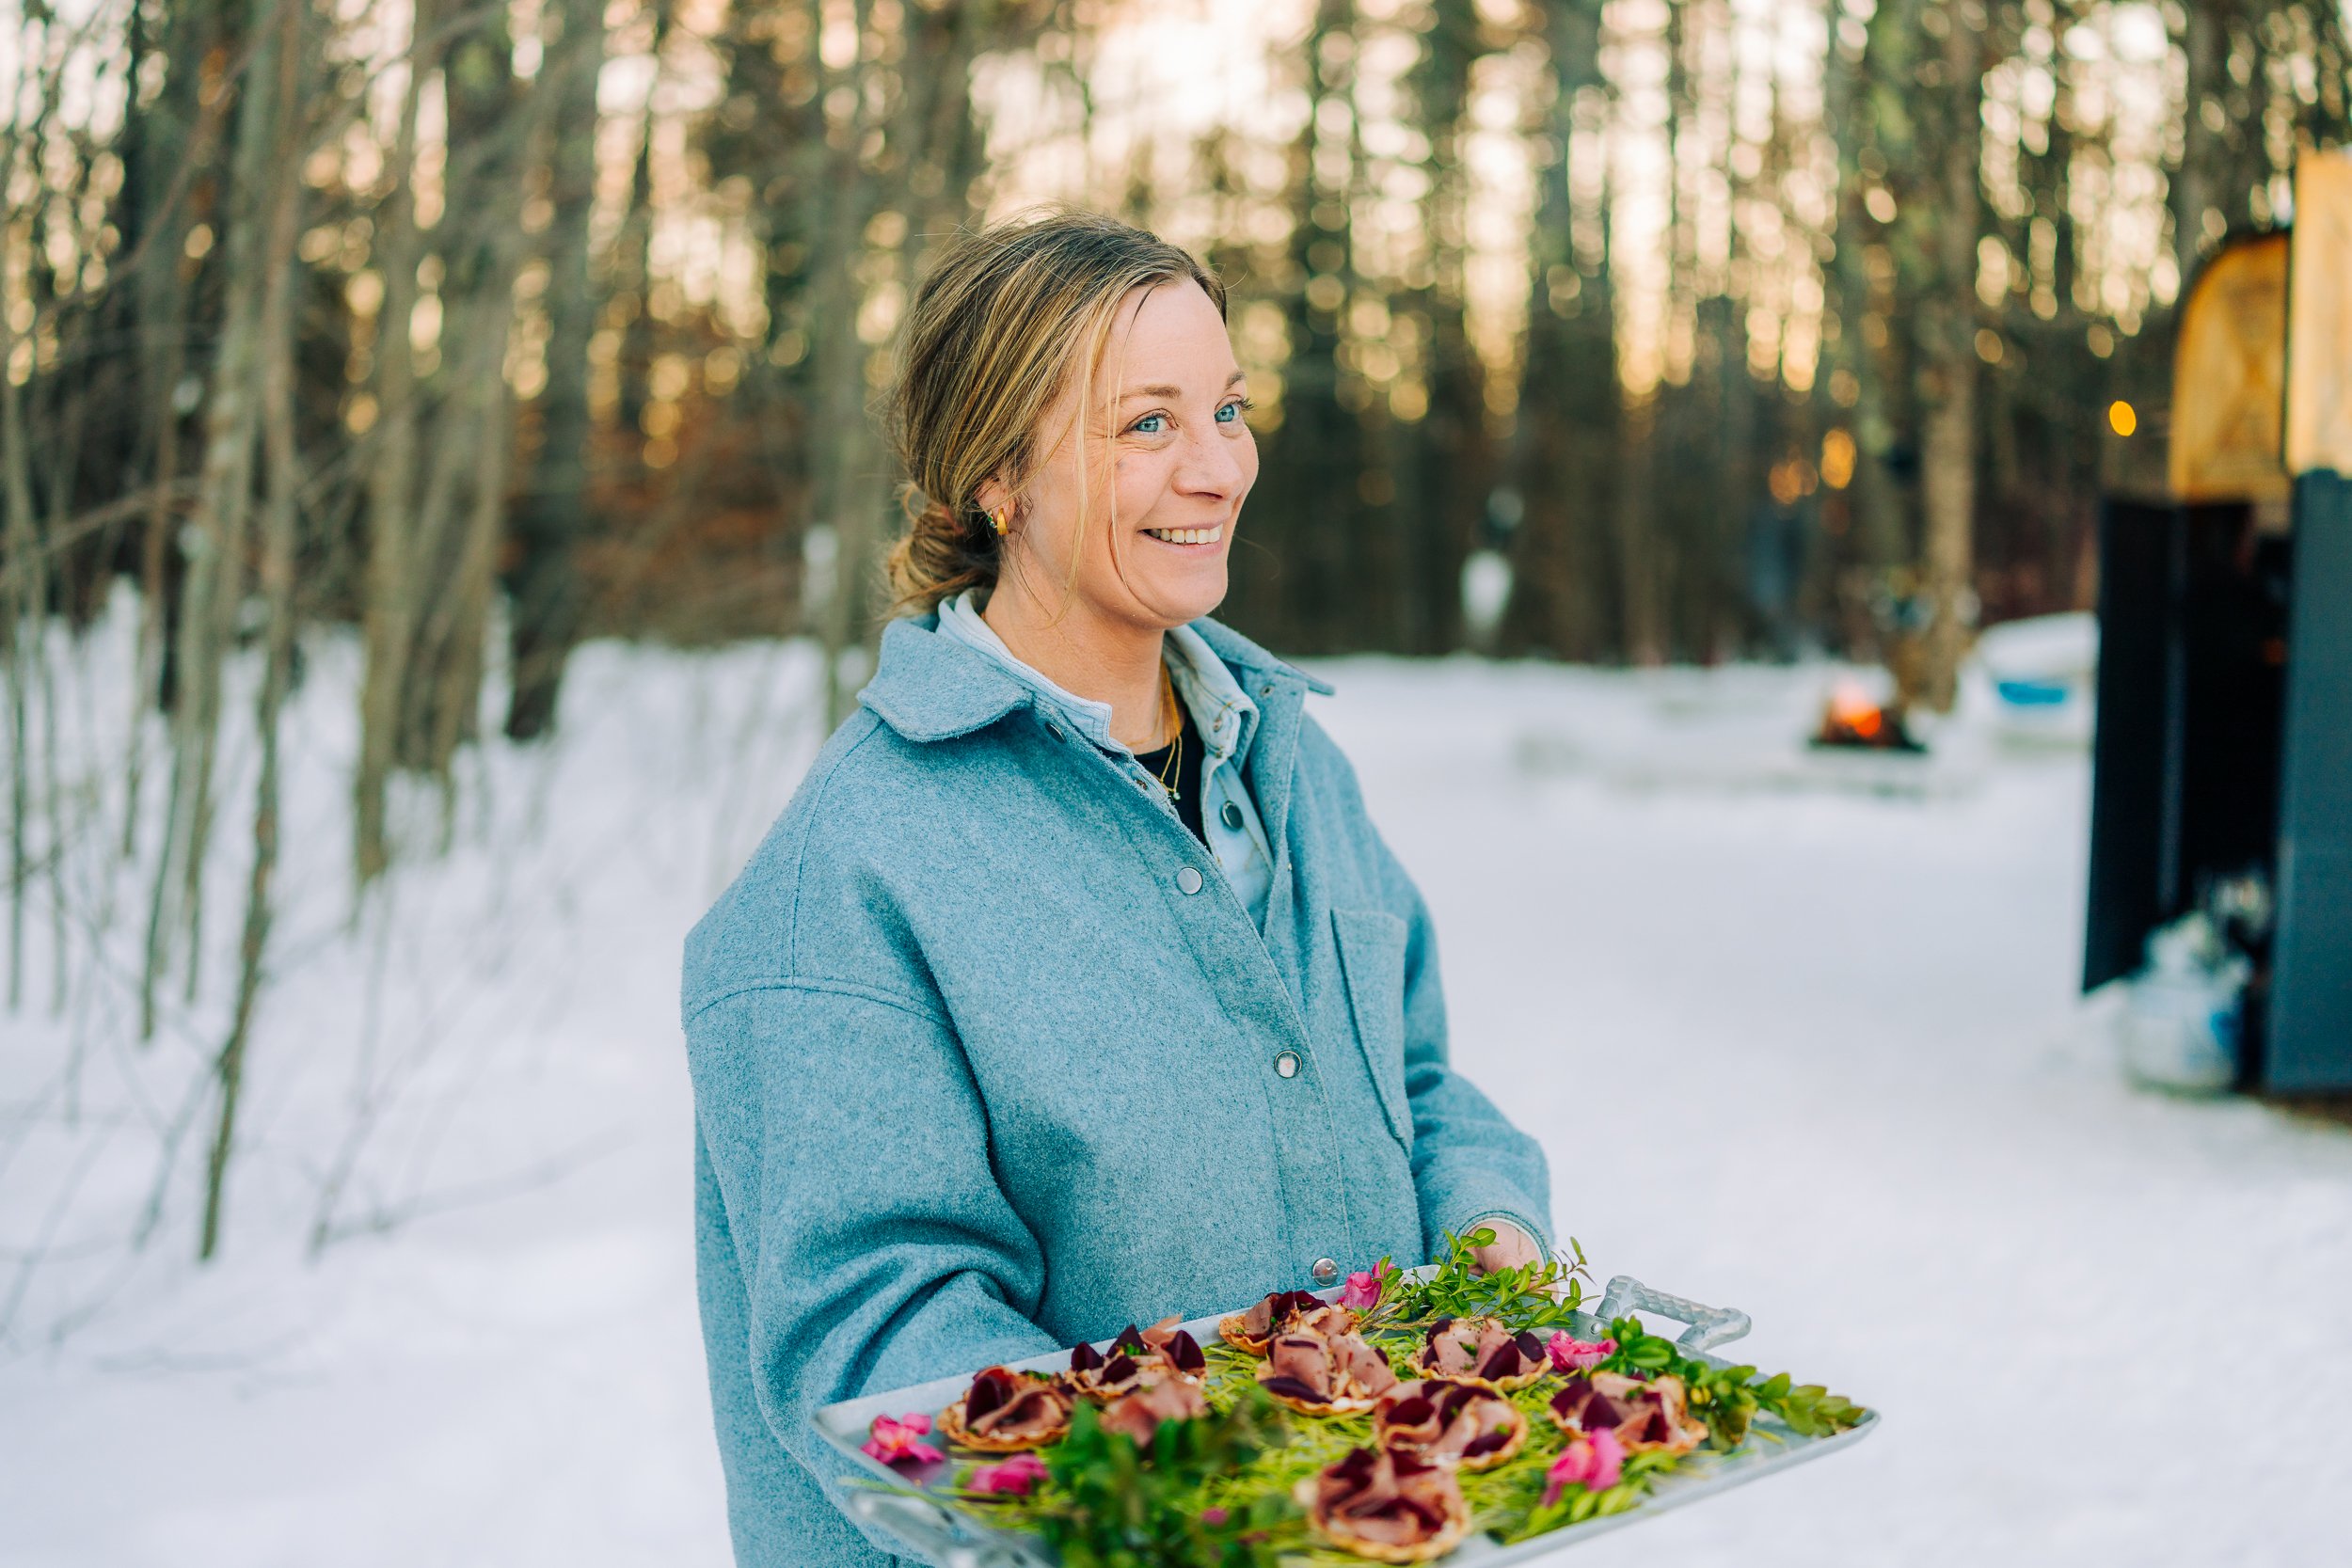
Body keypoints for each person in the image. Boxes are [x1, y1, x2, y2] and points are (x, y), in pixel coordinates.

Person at [680, 207, 1553, 1566]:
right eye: (1147, 424)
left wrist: (1491, 1228)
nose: (1217, 470)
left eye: (1229, 409)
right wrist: (1202, 1498)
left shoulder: (1290, 763)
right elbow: (878, 1349)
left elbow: (1418, 1080)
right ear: (998, 477)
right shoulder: (843, 883)